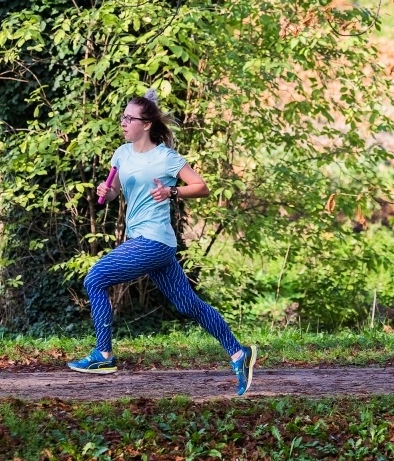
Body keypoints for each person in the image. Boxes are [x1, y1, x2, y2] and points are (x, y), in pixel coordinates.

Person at [67, 89, 258, 396]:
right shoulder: (121, 153)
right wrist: (107, 191)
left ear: (146, 124)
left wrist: (172, 192)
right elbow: (114, 190)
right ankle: (239, 353)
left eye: (130, 118)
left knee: (96, 278)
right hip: (150, 243)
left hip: (153, 241)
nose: (123, 122)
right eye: (123, 117)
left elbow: (201, 186)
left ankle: (103, 355)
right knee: (188, 304)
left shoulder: (166, 158)